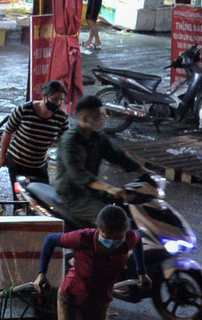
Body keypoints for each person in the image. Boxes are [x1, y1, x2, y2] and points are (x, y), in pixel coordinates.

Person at [53, 95, 143, 226]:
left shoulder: (98, 138)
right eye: (98, 116)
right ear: (84, 118)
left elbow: (119, 157)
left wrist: (144, 171)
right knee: (111, 220)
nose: (102, 119)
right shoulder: (70, 140)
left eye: (102, 115)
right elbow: (78, 174)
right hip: (72, 196)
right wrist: (109, 188)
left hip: (91, 191)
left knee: (127, 207)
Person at [2, 81, 69, 193]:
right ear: (44, 96)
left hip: (39, 165)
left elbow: (65, 142)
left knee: (43, 199)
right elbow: (8, 132)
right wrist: (2, 155)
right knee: (21, 199)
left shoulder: (61, 117)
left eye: (61, 100)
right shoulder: (25, 109)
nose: (58, 103)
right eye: (54, 99)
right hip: (17, 162)